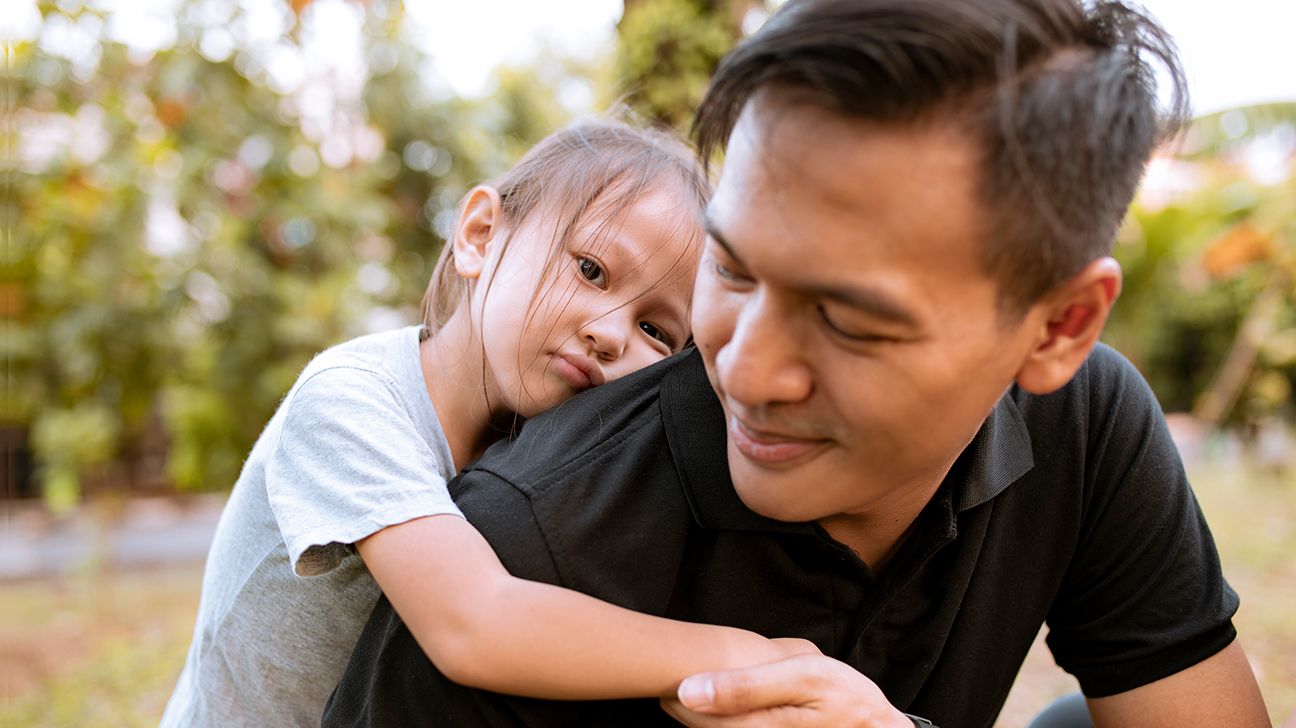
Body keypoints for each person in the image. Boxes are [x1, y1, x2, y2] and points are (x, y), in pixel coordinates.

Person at [323, 1, 1272, 727]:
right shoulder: (534, 549)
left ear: (1058, 328)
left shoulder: (1089, 425)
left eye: (851, 320)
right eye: (731, 267)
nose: (748, 370)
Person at [160, 118, 818, 728]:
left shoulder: (537, 447)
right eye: (590, 270)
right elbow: (474, 624)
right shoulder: (352, 402)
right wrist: (741, 655)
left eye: (655, 328)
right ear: (479, 235)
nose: (611, 333)